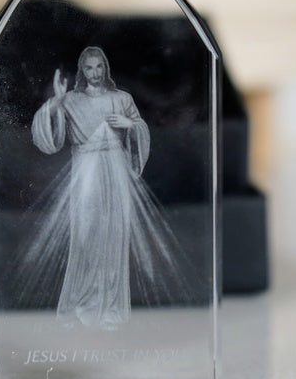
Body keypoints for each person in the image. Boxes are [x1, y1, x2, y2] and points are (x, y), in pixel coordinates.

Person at [24, 46, 182, 329]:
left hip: (115, 168)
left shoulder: (121, 98)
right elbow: (48, 140)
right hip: (85, 169)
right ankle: (82, 303)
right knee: (84, 234)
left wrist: (130, 124)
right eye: (89, 67)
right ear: (82, 71)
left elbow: (140, 129)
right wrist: (56, 102)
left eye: (99, 67)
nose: (94, 73)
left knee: (114, 233)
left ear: (105, 68)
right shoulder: (71, 100)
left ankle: (110, 307)